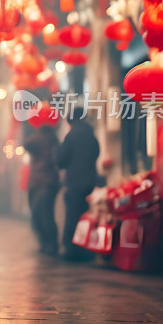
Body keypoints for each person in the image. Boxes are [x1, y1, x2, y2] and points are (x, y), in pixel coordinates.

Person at [57, 109, 100, 261]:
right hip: (89, 181)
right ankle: (86, 248)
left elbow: (60, 159)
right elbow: (96, 152)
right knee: (85, 215)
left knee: (72, 216)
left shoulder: (72, 135)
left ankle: (72, 250)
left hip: (75, 181)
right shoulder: (90, 134)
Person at [23, 124, 60, 256]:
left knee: (42, 214)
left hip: (44, 182)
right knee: (42, 214)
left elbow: (26, 143)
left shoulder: (44, 140)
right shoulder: (51, 141)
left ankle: (49, 243)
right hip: (42, 182)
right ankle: (47, 243)